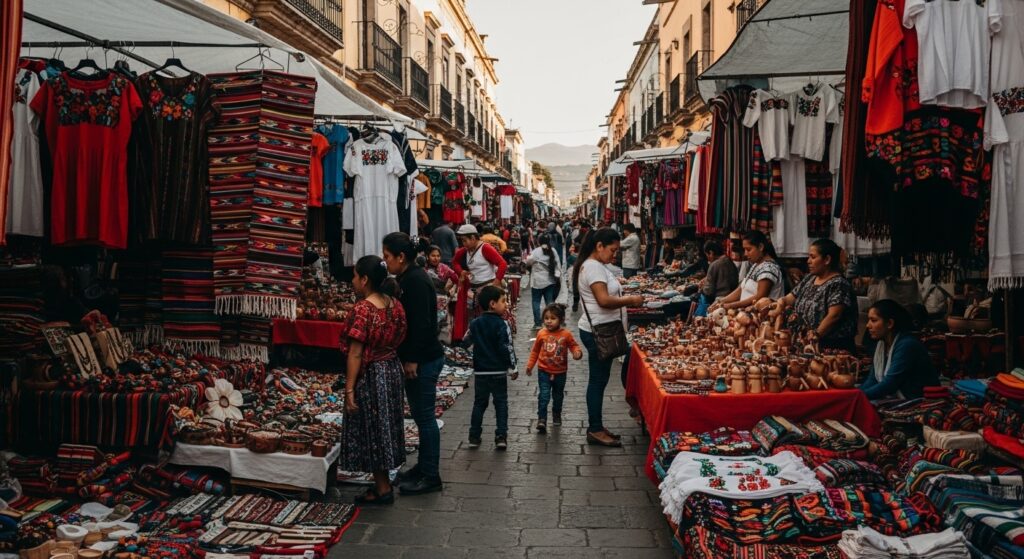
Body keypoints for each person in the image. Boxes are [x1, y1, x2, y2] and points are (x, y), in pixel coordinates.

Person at [339, 255, 407, 505]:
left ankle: (382, 487)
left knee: (374, 427)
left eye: (355, 276)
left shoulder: (363, 309)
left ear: (365, 279)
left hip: (372, 373)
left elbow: (355, 352)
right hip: (392, 369)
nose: (353, 280)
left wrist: (349, 389)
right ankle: (383, 482)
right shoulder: (395, 304)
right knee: (385, 425)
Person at [382, 232, 446, 496]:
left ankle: (431, 475)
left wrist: (412, 359)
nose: (386, 261)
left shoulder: (416, 281)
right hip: (422, 357)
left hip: (424, 359)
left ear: (401, 257)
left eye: (387, 256)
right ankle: (423, 467)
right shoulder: (409, 277)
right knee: (421, 417)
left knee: (426, 418)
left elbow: (422, 324)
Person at [573, 228, 645, 447]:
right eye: (612, 250)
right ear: (599, 246)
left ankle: (599, 425)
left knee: (604, 376)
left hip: (604, 330)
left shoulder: (594, 265)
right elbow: (603, 300)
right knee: (597, 381)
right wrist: (631, 300)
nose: (615, 255)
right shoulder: (593, 267)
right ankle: (595, 429)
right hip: (600, 332)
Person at [770, 239, 858, 353]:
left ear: (827, 260)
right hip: (804, 345)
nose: (808, 261)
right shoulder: (810, 278)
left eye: (813, 257)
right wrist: (780, 304)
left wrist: (814, 336)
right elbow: (789, 298)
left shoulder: (838, 284)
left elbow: (834, 316)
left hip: (830, 348)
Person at [465, 285, 518, 450]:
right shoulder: (503, 324)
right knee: (501, 403)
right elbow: (507, 347)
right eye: (503, 301)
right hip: (498, 372)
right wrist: (513, 366)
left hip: (481, 372)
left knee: (479, 404)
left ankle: (474, 436)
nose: (506, 304)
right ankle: (501, 436)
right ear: (492, 304)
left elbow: (465, 342)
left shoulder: (475, 323)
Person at [860, 299, 939, 400]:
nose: (868, 325)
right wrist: (854, 394)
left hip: (918, 401)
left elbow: (889, 384)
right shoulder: (882, 344)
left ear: (889, 323)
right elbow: (873, 380)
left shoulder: (907, 345)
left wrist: (857, 396)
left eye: (873, 320)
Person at [525, 303, 582, 433]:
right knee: (544, 395)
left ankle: (556, 413)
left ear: (561, 320)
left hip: (560, 372)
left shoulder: (566, 334)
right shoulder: (541, 333)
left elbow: (574, 346)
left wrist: (577, 353)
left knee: (558, 395)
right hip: (543, 371)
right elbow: (535, 351)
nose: (549, 321)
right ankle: (542, 419)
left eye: (553, 318)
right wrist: (530, 365)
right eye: (546, 318)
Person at [452, 224, 508, 342]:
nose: (463, 243)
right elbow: (455, 262)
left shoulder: (485, 248)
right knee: (473, 318)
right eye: (462, 241)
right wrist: (461, 272)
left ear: (473, 238)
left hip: (487, 287)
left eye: (465, 240)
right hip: (472, 290)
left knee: (487, 318)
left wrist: (496, 283)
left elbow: (502, 264)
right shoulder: (465, 251)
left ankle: (489, 341)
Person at [713, 230, 786, 310]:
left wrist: (729, 306)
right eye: (744, 250)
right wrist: (721, 301)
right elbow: (742, 289)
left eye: (748, 250)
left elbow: (759, 297)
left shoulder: (769, 268)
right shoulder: (756, 265)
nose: (745, 254)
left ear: (761, 247)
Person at [526, 233, 562, 329]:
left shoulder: (536, 252)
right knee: (549, 303)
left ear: (539, 241)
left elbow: (528, 261)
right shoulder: (553, 251)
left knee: (536, 301)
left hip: (537, 282)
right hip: (550, 281)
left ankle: (538, 323)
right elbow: (558, 265)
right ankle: (552, 321)